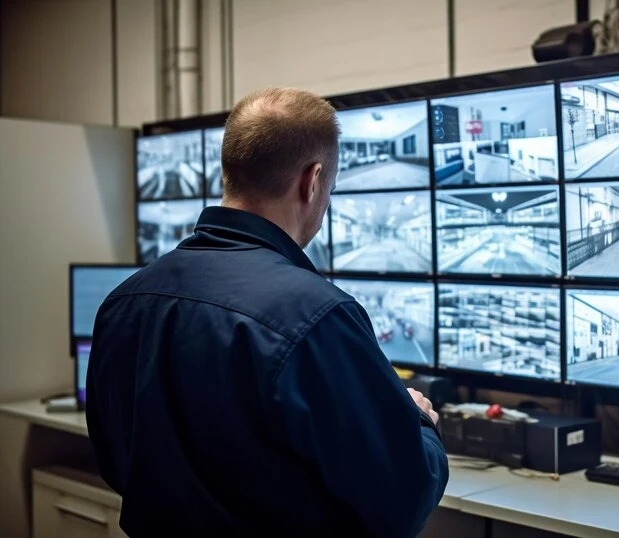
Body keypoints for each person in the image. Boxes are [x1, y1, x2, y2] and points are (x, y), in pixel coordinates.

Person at [86, 88, 448, 538]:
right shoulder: (317, 315)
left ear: (229, 170)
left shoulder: (124, 302)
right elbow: (402, 499)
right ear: (312, 181)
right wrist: (416, 420)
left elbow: (115, 462)